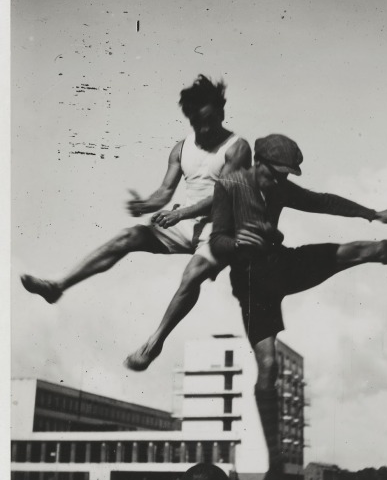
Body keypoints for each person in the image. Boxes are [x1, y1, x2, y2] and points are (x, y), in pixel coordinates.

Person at [210, 133, 387, 480]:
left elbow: (323, 201)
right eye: (276, 174)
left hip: (281, 264)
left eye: (286, 177)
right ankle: (274, 469)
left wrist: (372, 214)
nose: (280, 182)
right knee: (268, 366)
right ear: (258, 163)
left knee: (360, 250)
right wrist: (237, 241)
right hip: (252, 282)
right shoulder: (229, 185)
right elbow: (216, 240)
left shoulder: (281, 187)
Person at [21, 75, 251, 370]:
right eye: (195, 123)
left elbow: (224, 196)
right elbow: (165, 192)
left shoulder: (238, 147)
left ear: (220, 113)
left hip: (225, 227)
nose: (202, 129)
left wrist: (180, 213)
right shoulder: (181, 148)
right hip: (189, 223)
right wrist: (145, 204)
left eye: (207, 121)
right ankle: (58, 286)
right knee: (128, 236)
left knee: (192, 274)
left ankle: (153, 344)